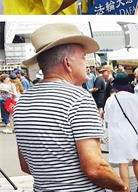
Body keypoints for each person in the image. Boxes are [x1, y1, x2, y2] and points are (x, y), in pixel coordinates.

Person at [13, 23, 128, 191]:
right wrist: (122, 187)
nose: (86, 64)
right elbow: (95, 168)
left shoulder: (22, 102)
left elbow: (26, 165)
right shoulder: (78, 98)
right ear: (67, 62)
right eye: (83, 57)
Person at [104, 73, 138, 192]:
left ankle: (126, 189)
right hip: (133, 135)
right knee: (136, 160)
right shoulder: (134, 98)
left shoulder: (110, 100)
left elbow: (106, 119)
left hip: (117, 136)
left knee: (123, 163)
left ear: (116, 86)